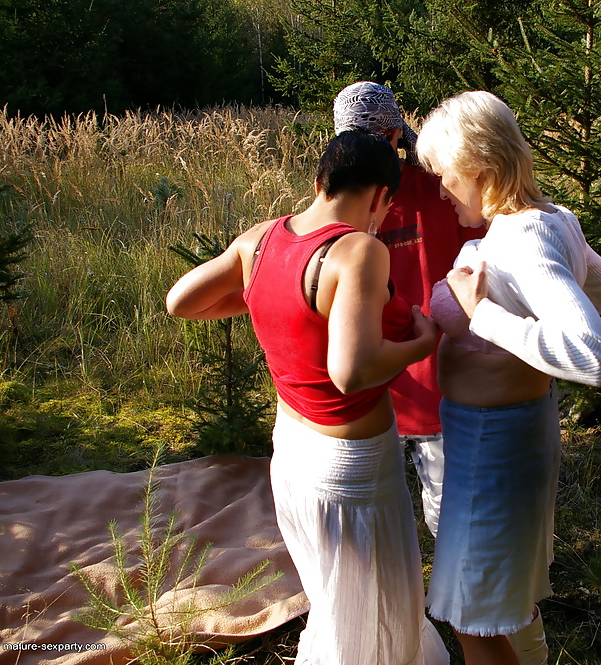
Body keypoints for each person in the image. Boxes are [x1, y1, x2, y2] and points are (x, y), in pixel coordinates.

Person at [166, 131, 448, 665]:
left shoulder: (261, 239)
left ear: (320, 181)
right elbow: (353, 370)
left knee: (333, 591)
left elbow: (181, 300)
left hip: (292, 449)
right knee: (376, 600)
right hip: (352, 467)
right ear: (380, 197)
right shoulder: (359, 250)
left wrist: (262, 300)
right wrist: (422, 342)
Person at [416, 90, 601, 665]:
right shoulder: (552, 219)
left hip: (496, 444)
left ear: (477, 169)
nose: (440, 189)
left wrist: (484, 314)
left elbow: (592, 354)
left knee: (471, 615)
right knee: (493, 597)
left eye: (444, 175)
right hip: (494, 437)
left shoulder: (526, 235)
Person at [332, 81, 486, 542]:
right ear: (398, 135)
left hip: (367, 381)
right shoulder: (447, 192)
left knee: (372, 521)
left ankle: (407, 602)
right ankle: (452, 603)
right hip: (434, 379)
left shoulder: (337, 204)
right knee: (449, 516)